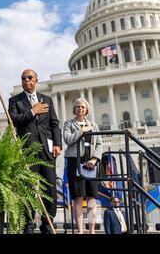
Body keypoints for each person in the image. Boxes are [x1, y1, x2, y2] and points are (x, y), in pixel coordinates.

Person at [8, 69, 62, 234]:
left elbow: (54, 124)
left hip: (47, 151)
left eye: (29, 77)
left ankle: (48, 224)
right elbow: (14, 120)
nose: (26, 80)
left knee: (50, 188)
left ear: (36, 80)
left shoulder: (47, 100)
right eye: (23, 78)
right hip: (27, 152)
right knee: (28, 189)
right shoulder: (15, 101)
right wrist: (32, 111)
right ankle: (28, 225)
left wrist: (57, 144)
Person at [63, 97, 102, 234]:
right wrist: (81, 131)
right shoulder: (68, 124)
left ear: (87, 110)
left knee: (92, 197)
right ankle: (80, 230)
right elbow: (67, 139)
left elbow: (99, 144)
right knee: (78, 197)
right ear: (74, 109)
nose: (80, 109)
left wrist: (95, 159)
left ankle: (91, 230)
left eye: (83, 107)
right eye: (78, 106)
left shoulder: (94, 125)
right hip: (75, 161)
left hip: (90, 162)